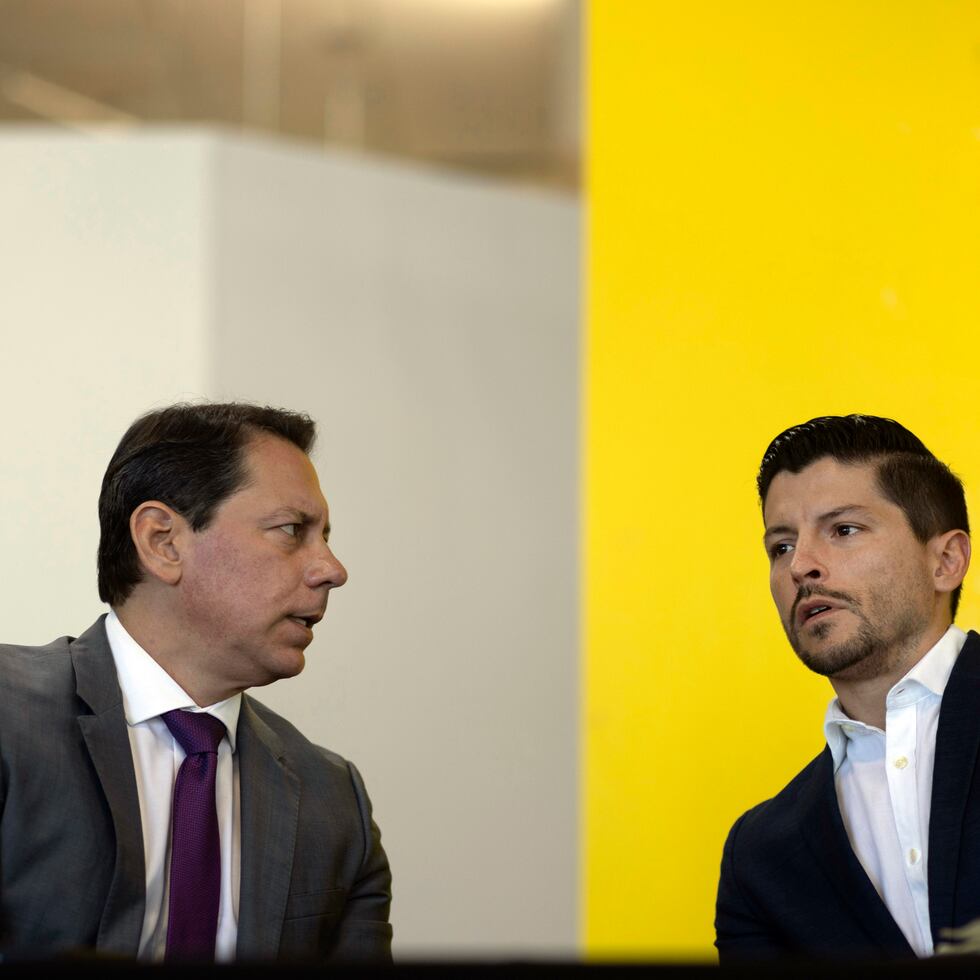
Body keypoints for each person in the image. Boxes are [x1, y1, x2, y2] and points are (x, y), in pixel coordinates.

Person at [0, 402, 392, 963]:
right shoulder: (9, 718)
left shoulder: (332, 800)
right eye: (291, 531)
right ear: (162, 541)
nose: (332, 568)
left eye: (325, 536)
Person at [715, 414, 980, 961]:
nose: (801, 567)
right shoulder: (761, 857)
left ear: (946, 560)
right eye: (781, 546)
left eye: (843, 530)